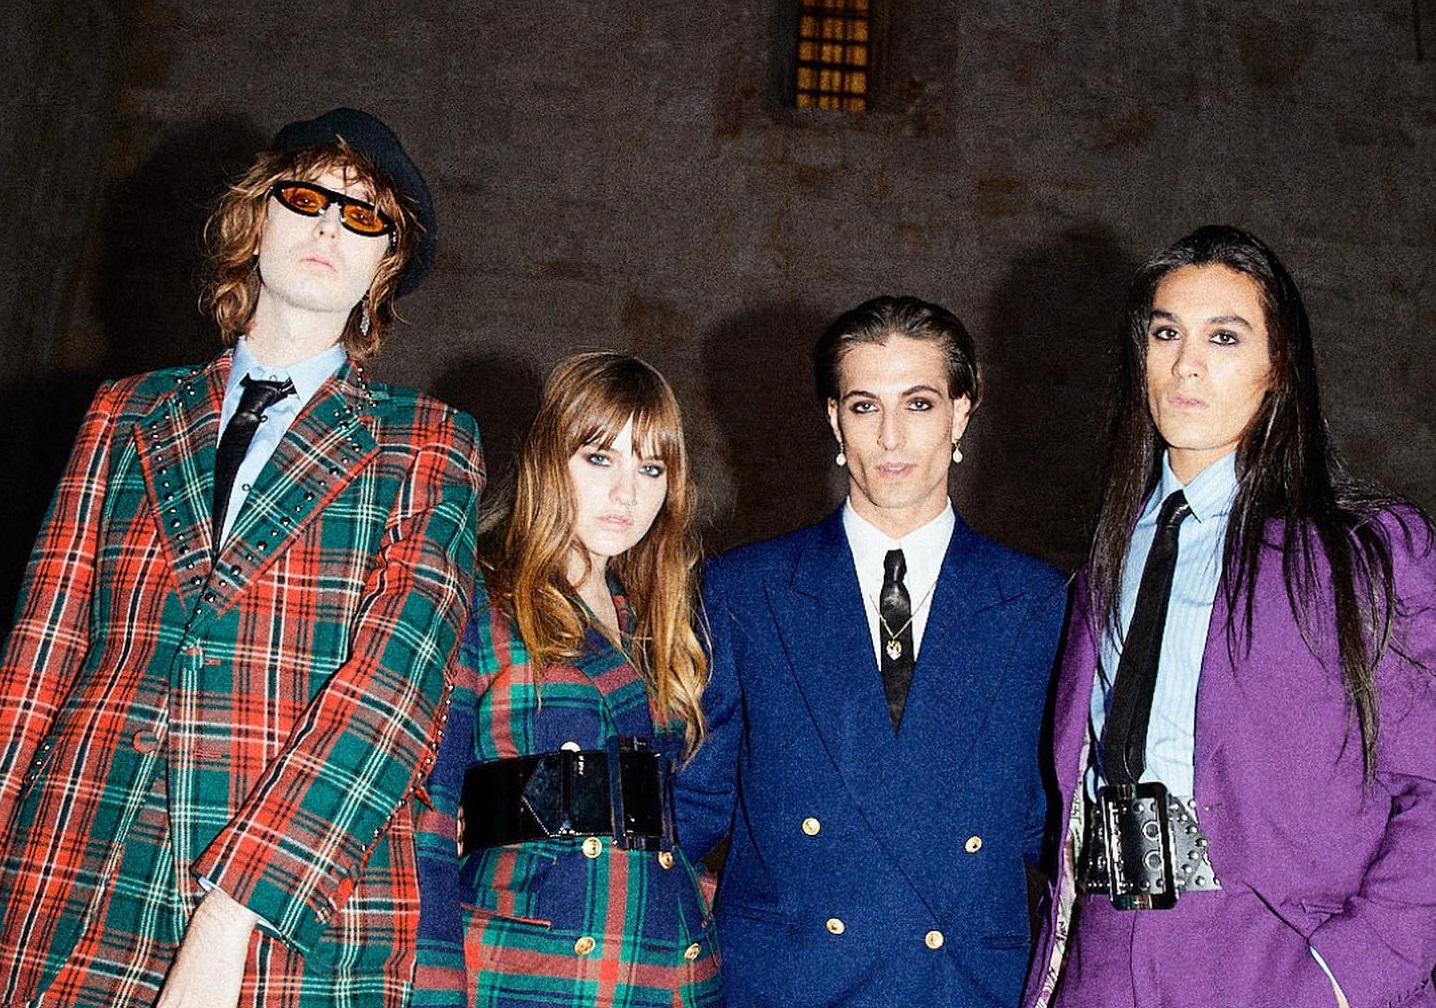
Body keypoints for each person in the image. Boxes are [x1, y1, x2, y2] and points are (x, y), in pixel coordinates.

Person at [0, 108, 484, 1007]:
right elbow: (38, 657)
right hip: (69, 867)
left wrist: (231, 916)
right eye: (306, 198)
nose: (330, 225)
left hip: (282, 909)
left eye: (364, 215)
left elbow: (394, 692)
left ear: (384, 268)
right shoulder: (124, 412)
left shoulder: (427, 442)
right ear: (255, 219)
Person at [1023, 225, 1436, 1008]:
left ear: (1279, 366)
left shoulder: (1365, 553)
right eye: (1166, 333)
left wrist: (1346, 979)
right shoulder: (1101, 568)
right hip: (1104, 953)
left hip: (1275, 963)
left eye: (1224, 336)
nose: (1187, 362)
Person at [676, 296, 1067, 1007]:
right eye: (864, 406)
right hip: (791, 985)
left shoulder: (1038, 603)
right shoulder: (745, 591)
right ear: (834, 420)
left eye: (918, 404)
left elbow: (1062, 831)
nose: (890, 437)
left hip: (961, 988)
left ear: (962, 412)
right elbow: (687, 808)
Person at [413, 351, 720, 1008]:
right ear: (549, 460)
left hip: (667, 964)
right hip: (533, 970)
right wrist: (433, 990)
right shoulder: (479, 598)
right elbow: (428, 820)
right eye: (600, 458)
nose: (627, 493)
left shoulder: (656, 619)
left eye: (651, 467)